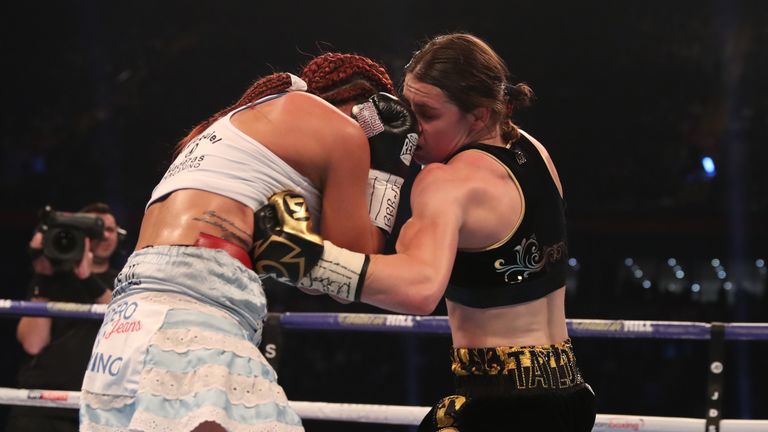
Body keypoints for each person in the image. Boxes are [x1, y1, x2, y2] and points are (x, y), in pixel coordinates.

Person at [254, 34, 596, 431]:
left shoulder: (445, 181)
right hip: (569, 396)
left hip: (501, 410)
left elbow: (417, 289)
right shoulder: (537, 153)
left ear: (480, 116)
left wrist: (309, 263)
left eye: (427, 114)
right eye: (407, 107)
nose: (411, 128)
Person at [78, 52, 416, 432]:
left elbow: (294, 259)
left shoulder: (241, 119)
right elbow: (353, 269)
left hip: (131, 312)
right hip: (197, 302)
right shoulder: (342, 130)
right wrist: (387, 171)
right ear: (367, 110)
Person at [7, 202, 121, 432]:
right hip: (40, 408)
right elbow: (33, 343)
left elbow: (120, 316)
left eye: (110, 229)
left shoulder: (124, 281)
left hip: (97, 409)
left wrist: (87, 279)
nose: (104, 235)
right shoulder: (49, 281)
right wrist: (43, 274)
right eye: (95, 229)